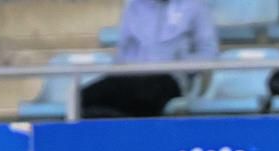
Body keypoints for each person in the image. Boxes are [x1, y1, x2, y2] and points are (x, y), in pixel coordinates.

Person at [81, 0, 218, 118]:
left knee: (143, 95)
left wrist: (182, 64)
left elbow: (209, 51)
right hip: (130, 76)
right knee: (82, 98)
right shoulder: (135, 5)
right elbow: (123, 50)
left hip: (168, 78)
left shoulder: (194, 5)